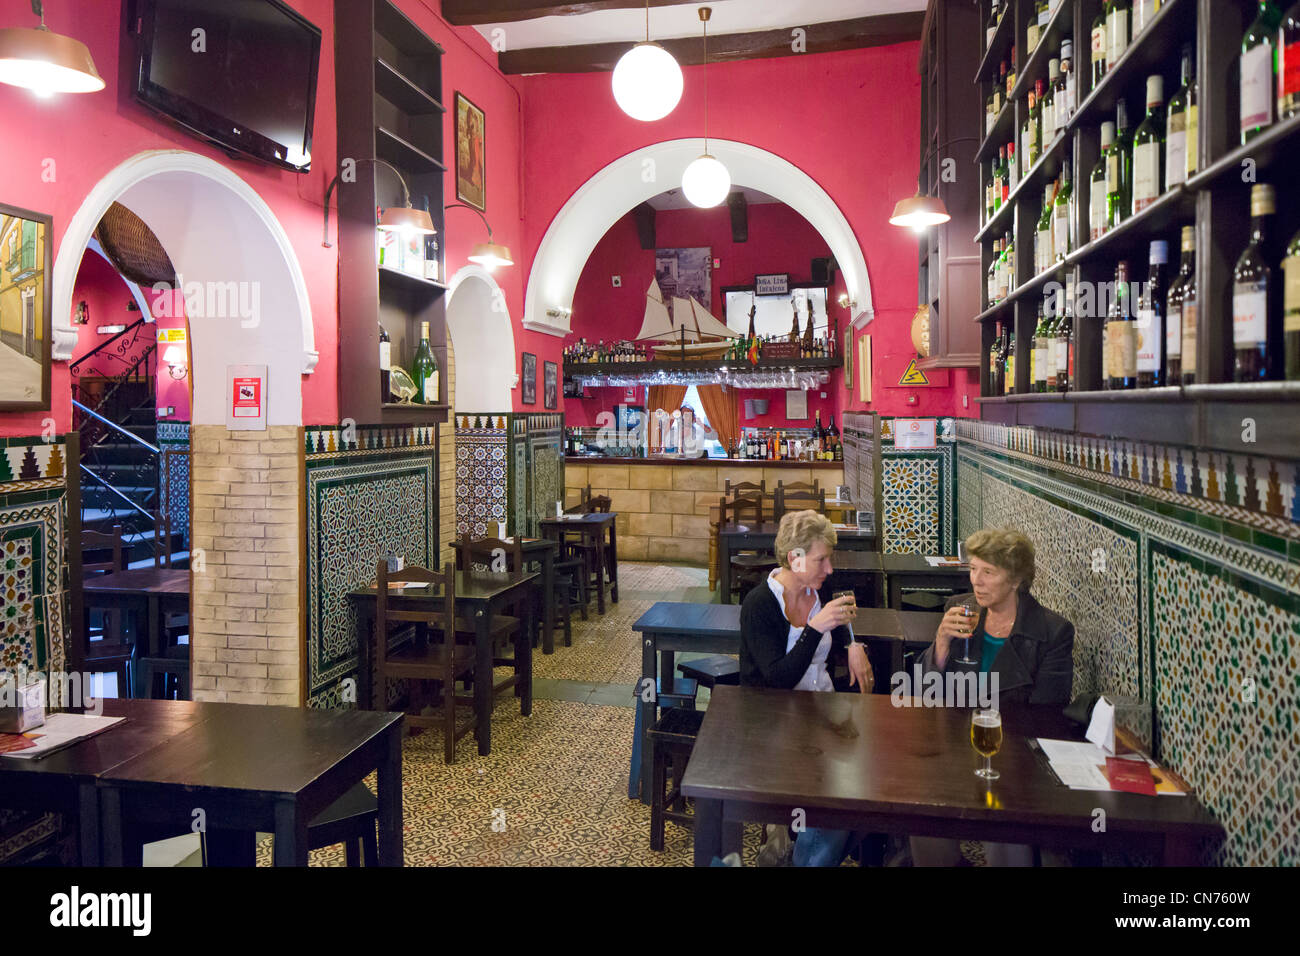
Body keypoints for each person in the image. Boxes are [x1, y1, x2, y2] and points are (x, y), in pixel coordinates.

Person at [910, 526, 1075, 867]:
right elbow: (925, 691)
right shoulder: (959, 610)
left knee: (1001, 820)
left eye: (988, 572)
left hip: (1013, 755)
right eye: (973, 569)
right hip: (955, 745)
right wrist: (940, 642)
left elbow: (1048, 716)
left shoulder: (1052, 632)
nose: (976, 581)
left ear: (1015, 580)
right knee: (924, 812)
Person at [739, 510, 873, 866]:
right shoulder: (760, 605)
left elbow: (841, 621)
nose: (829, 569)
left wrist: (853, 646)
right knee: (840, 793)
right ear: (795, 560)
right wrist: (815, 628)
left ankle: (799, 847)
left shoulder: (819, 589)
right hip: (774, 720)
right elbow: (776, 679)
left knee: (873, 778)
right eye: (821, 560)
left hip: (822, 712)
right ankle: (803, 849)